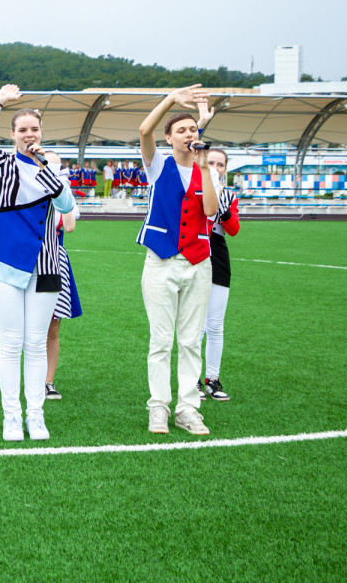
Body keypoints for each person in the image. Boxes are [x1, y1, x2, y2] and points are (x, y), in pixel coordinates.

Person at [0, 85, 75, 442]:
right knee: (11, 342)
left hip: (45, 265)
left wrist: (47, 167)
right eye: (23, 129)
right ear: (13, 134)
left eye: (35, 129)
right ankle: (12, 416)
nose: (30, 134)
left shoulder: (53, 168)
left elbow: (65, 208)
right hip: (3, 263)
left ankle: (36, 415)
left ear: (41, 134)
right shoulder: (1, 163)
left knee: (34, 342)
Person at [137, 85, 218, 437]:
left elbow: (211, 211)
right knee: (161, 340)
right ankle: (159, 407)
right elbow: (144, 130)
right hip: (161, 261)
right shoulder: (158, 167)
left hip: (198, 263)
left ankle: (188, 408)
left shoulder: (206, 170)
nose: (189, 134)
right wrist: (170, 99)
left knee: (189, 341)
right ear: (169, 138)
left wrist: (204, 168)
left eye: (193, 130)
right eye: (181, 130)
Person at [194, 103, 240, 401]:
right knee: (195, 323)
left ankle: (213, 379)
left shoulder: (230, 194)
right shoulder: (192, 187)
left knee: (215, 323)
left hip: (218, 254)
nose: (215, 167)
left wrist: (223, 207)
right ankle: (193, 380)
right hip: (195, 250)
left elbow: (234, 229)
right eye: (210, 161)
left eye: (220, 164)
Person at [44, 201, 82, 400]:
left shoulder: (63, 192)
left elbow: (70, 225)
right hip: (28, 259)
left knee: (53, 326)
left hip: (56, 261)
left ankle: (48, 381)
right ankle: (28, 378)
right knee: (27, 326)